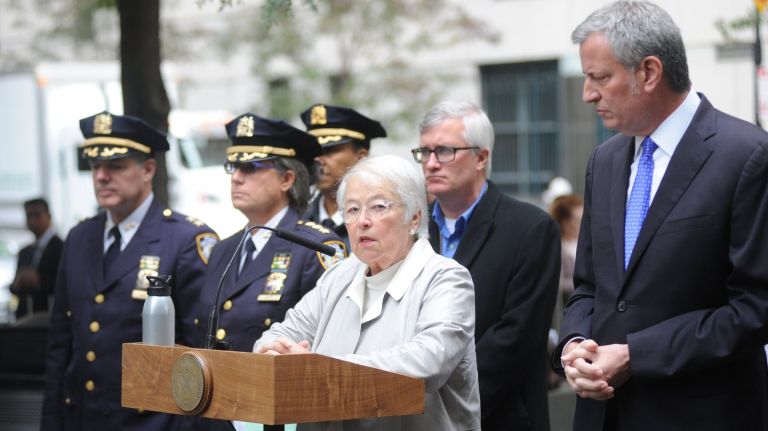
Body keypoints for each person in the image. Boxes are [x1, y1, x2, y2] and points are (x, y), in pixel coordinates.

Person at [552, 2, 768, 430]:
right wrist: (574, 346)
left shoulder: (747, 155)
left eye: (600, 78)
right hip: (602, 414)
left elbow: (755, 308)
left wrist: (637, 355)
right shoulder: (604, 161)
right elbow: (589, 287)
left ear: (649, 72)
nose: (587, 94)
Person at [253, 154, 480, 431]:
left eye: (378, 207)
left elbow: (427, 362)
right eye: (351, 209)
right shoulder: (338, 276)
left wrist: (318, 370)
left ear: (414, 217)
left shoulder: (446, 279)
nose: (362, 221)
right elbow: (276, 336)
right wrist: (277, 356)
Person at [41, 112, 219, 431]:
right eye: (95, 166)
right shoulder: (80, 237)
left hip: (152, 422)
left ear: (148, 169)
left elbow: (202, 354)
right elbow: (60, 344)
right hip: (83, 418)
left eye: (116, 166)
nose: (101, 177)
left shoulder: (183, 239)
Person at [192, 113, 347, 430]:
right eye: (233, 167)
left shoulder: (316, 248)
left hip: (275, 416)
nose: (236, 177)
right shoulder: (223, 249)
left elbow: (327, 348)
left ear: (287, 180)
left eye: (250, 167)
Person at [413, 101, 560, 431]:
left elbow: (516, 338)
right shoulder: (413, 230)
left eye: (445, 151)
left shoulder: (530, 229)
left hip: (499, 417)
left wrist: (439, 401)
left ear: (481, 157)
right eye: (424, 152)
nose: (431, 163)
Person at [301, 103, 387, 249]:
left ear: (361, 157)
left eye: (329, 151)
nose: (318, 160)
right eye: (313, 152)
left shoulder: (382, 219)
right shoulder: (299, 221)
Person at [10, 198, 63, 320]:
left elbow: (68, 284)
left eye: (37, 215)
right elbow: (14, 288)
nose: (33, 220)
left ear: (48, 216)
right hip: (23, 319)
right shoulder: (24, 252)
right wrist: (17, 283)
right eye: (29, 216)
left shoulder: (63, 248)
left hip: (49, 319)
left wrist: (39, 281)